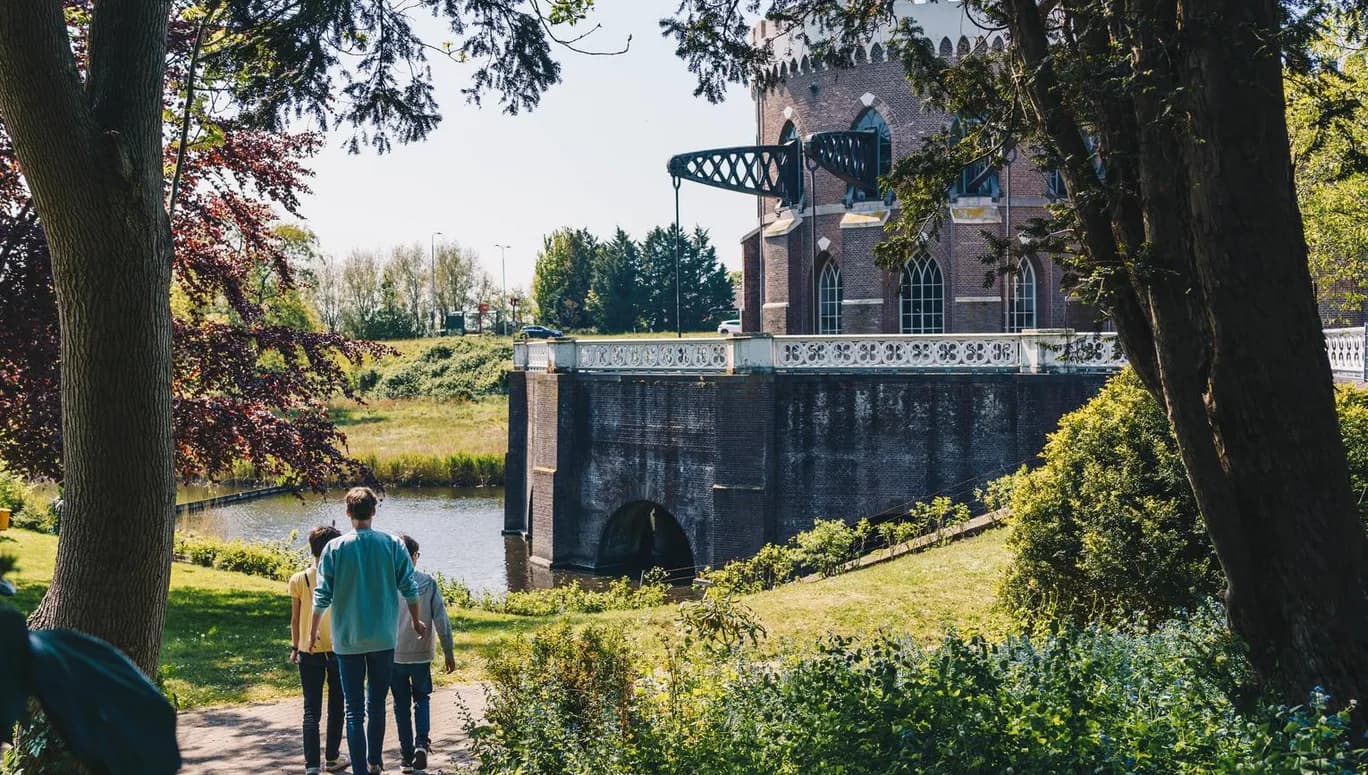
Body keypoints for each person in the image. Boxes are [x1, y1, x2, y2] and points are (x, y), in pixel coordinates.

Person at [311, 487, 426, 775]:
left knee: (354, 709)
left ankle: (361, 769)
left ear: (348, 513)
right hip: (383, 637)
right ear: (374, 511)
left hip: (347, 639)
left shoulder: (334, 549)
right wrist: (415, 620)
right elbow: (409, 588)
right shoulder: (392, 545)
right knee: (377, 704)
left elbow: (321, 595)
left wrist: (313, 631)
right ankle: (375, 762)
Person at [390, 535, 455, 774]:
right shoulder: (428, 583)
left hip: (394, 655)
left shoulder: (387, 584)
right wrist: (448, 651)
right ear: (415, 556)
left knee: (400, 705)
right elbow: (441, 620)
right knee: (422, 699)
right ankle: (421, 744)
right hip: (420, 655)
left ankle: (406, 757)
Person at [290, 525, 346, 775]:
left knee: (311, 709)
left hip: (308, 651)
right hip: (337, 650)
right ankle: (332, 758)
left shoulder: (298, 579)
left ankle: (312, 765)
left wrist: (295, 647)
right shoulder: (340, 578)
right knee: (337, 705)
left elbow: (295, 619)